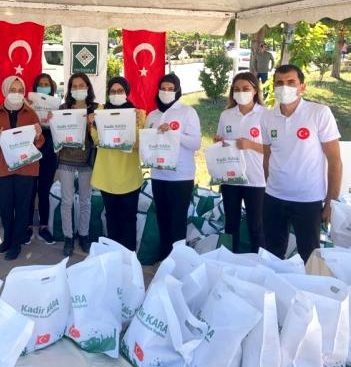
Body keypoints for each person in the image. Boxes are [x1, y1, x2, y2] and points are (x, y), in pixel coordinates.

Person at [261, 64, 342, 262]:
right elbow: (267, 156)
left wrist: (331, 202)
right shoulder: (267, 116)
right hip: (274, 197)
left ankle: (308, 292)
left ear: (302, 87)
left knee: (310, 256)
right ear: (273, 86)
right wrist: (268, 186)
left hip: (308, 199)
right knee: (272, 254)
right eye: (279, 83)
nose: (284, 87)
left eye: (291, 82)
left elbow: (334, 161)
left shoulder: (319, 113)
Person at [145, 73, 201, 261]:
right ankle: (163, 254)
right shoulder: (153, 115)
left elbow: (195, 144)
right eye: (163, 88)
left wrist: (175, 133)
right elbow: (148, 142)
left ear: (177, 91)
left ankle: (178, 260)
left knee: (178, 220)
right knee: (162, 216)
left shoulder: (187, 112)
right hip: (158, 174)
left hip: (180, 176)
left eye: (171, 89)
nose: (166, 92)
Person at [0, 77, 44, 260]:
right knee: (5, 206)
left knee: (22, 207)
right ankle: (7, 238)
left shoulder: (31, 113)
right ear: (5, 91)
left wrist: (38, 135)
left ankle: (16, 243)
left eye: (20, 90)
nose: (17, 93)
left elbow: (40, 143)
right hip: (4, 167)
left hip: (26, 168)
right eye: (13, 89)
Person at [214, 72, 267, 253]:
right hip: (231, 178)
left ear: (255, 91)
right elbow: (221, 140)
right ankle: (231, 261)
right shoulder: (226, 115)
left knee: (257, 226)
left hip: (257, 179)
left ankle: (259, 265)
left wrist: (250, 145)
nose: (241, 92)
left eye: (245, 89)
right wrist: (219, 143)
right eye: (236, 89)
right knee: (231, 224)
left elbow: (275, 149)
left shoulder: (266, 115)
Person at [91, 76, 145, 251]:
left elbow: (138, 144)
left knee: (129, 218)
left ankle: (128, 255)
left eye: (120, 91)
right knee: (111, 216)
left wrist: (135, 125)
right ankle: (113, 253)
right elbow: (97, 140)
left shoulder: (138, 114)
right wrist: (93, 124)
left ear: (126, 93)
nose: (116, 94)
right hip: (107, 175)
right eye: (113, 91)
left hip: (129, 176)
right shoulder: (100, 111)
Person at [49, 72, 98, 257]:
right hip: (65, 160)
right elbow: (56, 132)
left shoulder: (95, 108)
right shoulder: (62, 108)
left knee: (86, 200)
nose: (78, 89)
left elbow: (100, 134)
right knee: (67, 201)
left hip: (87, 161)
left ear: (88, 87)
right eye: (74, 86)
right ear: (70, 89)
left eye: (81, 85)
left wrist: (93, 123)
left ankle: (83, 235)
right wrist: (52, 120)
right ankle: (69, 238)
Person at [25, 73, 57, 245]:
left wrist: (55, 118)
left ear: (51, 88)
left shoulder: (56, 106)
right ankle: (28, 226)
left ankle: (44, 226)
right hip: (32, 148)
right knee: (29, 190)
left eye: (46, 84)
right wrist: (28, 109)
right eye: (40, 84)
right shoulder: (29, 104)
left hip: (49, 150)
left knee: (44, 190)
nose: (43, 87)